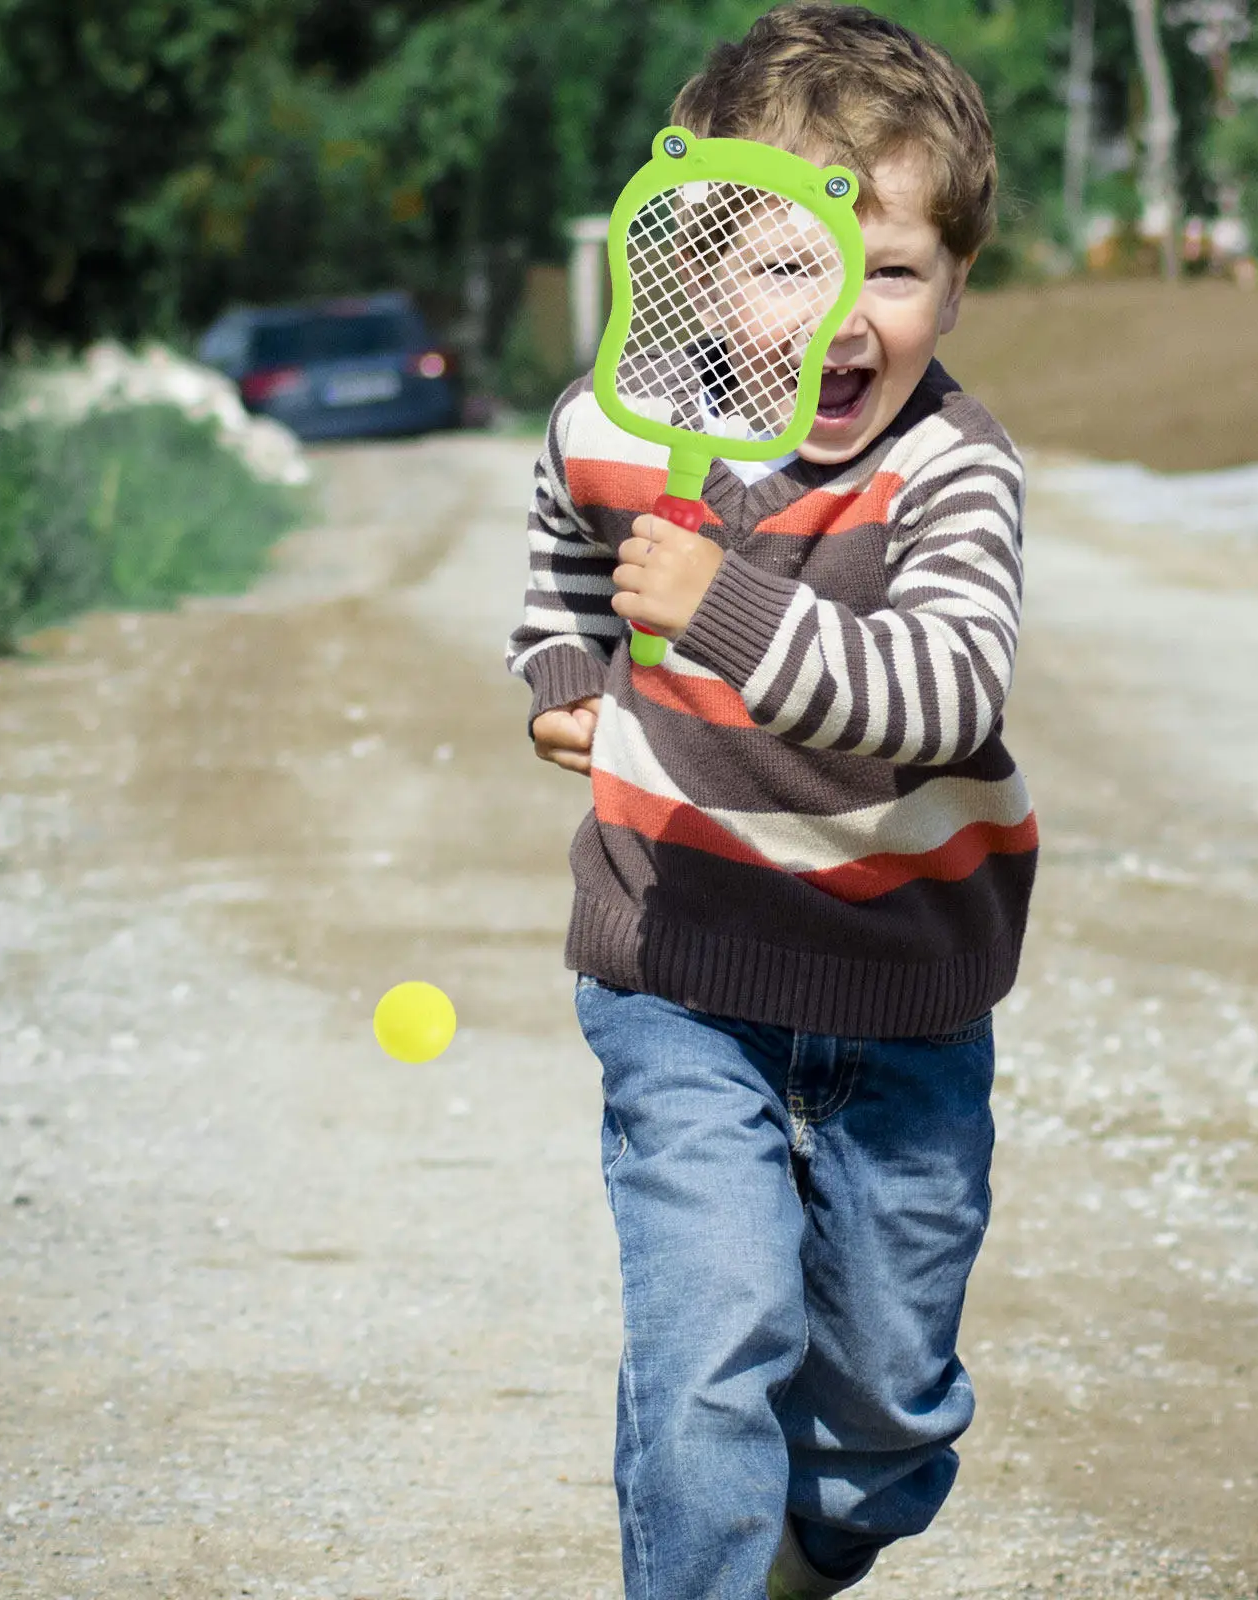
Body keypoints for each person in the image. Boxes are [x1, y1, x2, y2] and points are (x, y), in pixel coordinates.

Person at [504, 7, 1037, 1596]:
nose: (843, 314)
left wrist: (721, 606)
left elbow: (943, 694)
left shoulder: (955, 471)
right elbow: (561, 543)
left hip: (902, 993)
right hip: (682, 970)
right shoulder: (625, 427)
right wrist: (562, 665)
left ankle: (811, 1549)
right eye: (794, 262)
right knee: (710, 1343)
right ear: (704, 267)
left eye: (894, 270)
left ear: (955, 285)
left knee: (884, 1414)